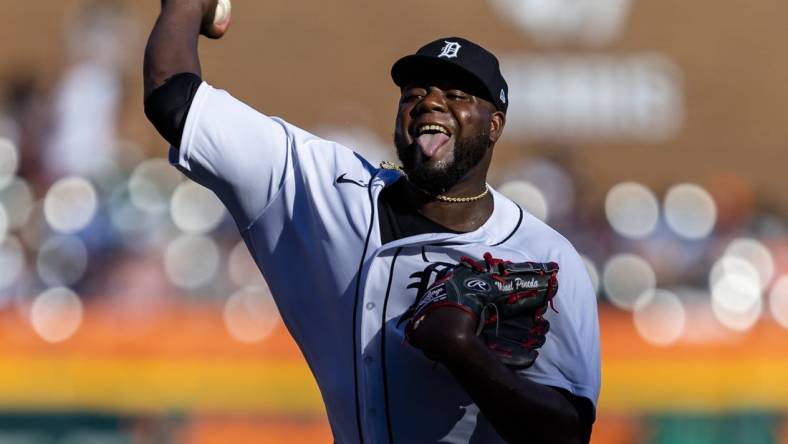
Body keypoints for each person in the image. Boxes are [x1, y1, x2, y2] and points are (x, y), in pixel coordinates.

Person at [143, 1, 600, 443]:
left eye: (457, 95)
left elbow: (569, 431)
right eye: (415, 94)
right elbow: (174, 100)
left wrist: (467, 355)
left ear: (494, 125)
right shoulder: (325, 189)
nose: (431, 104)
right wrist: (187, 4)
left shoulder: (544, 256)